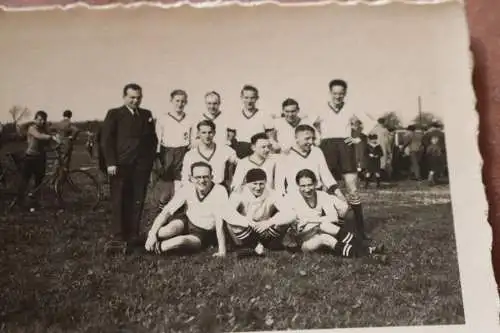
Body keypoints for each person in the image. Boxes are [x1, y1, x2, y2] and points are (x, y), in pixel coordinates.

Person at [313, 79, 376, 241]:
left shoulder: (351, 107)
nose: (338, 96)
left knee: (352, 188)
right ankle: (324, 227)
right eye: (335, 93)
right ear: (330, 93)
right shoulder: (320, 107)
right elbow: (308, 124)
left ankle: (360, 230)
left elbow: (370, 122)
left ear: (345, 93)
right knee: (326, 188)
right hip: (327, 147)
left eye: (341, 93)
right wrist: (318, 138)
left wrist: (358, 138)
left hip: (345, 147)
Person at [101, 83, 158, 252]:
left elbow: (151, 140)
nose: (135, 100)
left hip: (140, 167)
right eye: (132, 97)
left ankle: (133, 233)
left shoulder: (146, 115)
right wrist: (111, 162)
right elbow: (106, 140)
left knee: (137, 199)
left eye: (138, 97)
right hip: (120, 165)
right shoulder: (115, 114)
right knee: (119, 199)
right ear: (124, 97)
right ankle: (118, 235)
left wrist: (148, 162)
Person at [288, 169, 385, 258]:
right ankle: (369, 252)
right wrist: (315, 225)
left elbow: (334, 218)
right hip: (305, 241)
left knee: (325, 227)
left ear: (315, 183)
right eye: (303, 186)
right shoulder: (295, 200)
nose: (307, 189)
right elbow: (299, 231)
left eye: (310, 185)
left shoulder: (321, 195)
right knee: (325, 236)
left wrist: (310, 220)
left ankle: (367, 252)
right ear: (298, 186)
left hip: (320, 230)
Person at [145, 161, 229, 257]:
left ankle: (153, 249)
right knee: (165, 231)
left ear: (212, 177)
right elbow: (166, 211)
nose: (202, 181)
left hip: (203, 232)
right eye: (198, 177)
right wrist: (152, 234)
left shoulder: (219, 191)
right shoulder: (188, 188)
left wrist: (222, 251)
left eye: (205, 177)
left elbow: (219, 223)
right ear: (191, 178)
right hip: (187, 221)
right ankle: (149, 239)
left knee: (180, 241)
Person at [274, 125, 348, 215]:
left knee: (343, 207)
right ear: (296, 138)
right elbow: (279, 183)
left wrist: (339, 193)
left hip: (317, 193)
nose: (311, 142)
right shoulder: (286, 155)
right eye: (307, 139)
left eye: (313, 138)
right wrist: (283, 201)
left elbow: (326, 175)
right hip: (296, 195)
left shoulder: (317, 151)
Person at [227, 168, 296, 256]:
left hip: (265, 230)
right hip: (247, 230)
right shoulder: (239, 193)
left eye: (261, 184)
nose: (258, 187)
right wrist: (247, 222)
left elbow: (291, 214)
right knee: (231, 222)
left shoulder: (272, 193)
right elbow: (227, 213)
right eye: (254, 184)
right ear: (247, 183)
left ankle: (264, 247)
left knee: (283, 220)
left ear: (265, 182)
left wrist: (269, 222)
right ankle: (254, 246)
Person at [155, 89, 195, 210]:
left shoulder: (190, 119)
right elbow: (158, 138)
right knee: (167, 183)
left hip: (183, 151)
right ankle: (162, 205)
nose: (180, 104)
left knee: (180, 181)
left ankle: (178, 208)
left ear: (186, 102)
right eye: (177, 101)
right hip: (167, 151)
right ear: (171, 101)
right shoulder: (163, 118)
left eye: (183, 101)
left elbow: (192, 138)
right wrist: (157, 155)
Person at [14, 111, 60, 210]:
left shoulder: (44, 129)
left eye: (44, 119)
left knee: (39, 181)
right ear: (35, 119)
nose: (42, 121)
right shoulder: (32, 128)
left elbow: (48, 142)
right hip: (30, 157)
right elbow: (39, 136)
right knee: (25, 180)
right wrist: (51, 137)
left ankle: (35, 201)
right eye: (40, 119)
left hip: (41, 158)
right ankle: (19, 201)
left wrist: (56, 144)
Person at [180, 120, 238, 191]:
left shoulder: (225, 150)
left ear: (214, 133)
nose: (207, 136)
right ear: (198, 134)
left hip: (219, 189)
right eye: (203, 132)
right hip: (198, 189)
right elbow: (185, 178)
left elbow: (242, 164)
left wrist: (236, 184)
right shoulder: (190, 154)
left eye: (210, 132)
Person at [227, 85, 274, 158]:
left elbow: (271, 138)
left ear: (257, 98)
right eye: (246, 97)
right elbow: (229, 139)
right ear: (241, 98)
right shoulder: (234, 115)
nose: (249, 101)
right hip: (240, 150)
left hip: (259, 150)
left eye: (252, 98)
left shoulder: (264, 115)